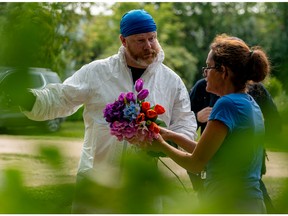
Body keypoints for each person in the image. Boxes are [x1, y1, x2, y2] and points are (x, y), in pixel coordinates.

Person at [8, 9, 197, 213]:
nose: (149, 46)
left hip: (143, 186)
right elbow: (61, 98)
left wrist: (162, 143)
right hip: (96, 179)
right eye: (140, 40)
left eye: (152, 38)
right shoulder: (98, 72)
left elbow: (185, 124)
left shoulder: (171, 81)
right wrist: (28, 99)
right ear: (123, 41)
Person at [142, 34, 270, 213]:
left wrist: (161, 145)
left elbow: (196, 163)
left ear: (223, 71)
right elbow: (208, 152)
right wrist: (169, 135)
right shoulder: (247, 102)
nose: (205, 74)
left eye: (208, 67)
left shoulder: (226, 104)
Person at [188, 78, 281, 213]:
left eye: (209, 67)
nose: (207, 72)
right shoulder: (203, 86)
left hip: (247, 171)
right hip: (212, 169)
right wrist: (197, 116)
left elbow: (275, 124)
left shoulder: (255, 89)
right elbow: (184, 121)